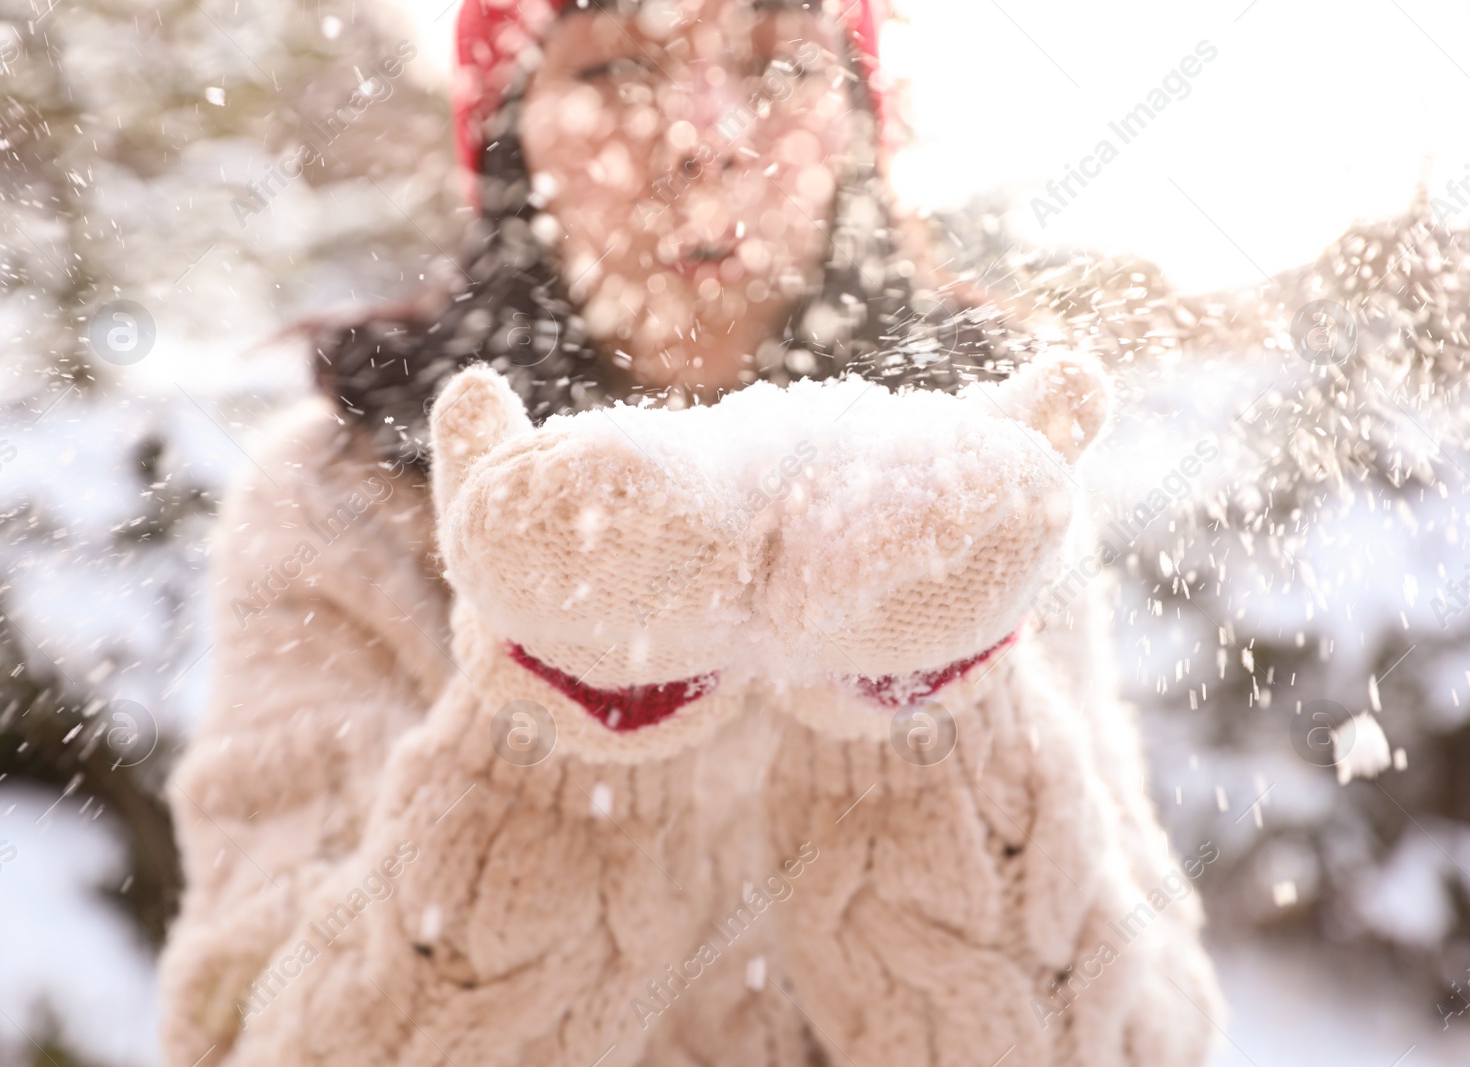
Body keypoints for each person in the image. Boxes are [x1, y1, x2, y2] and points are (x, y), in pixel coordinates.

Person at [159, 2, 1219, 1065]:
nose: (703, 135)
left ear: (854, 126)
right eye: (614, 67)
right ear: (511, 137)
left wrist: (929, 698)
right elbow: (242, 1030)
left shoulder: (979, 487)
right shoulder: (339, 498)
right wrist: (562, 709)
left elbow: (1139, 1036)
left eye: (778, 65)